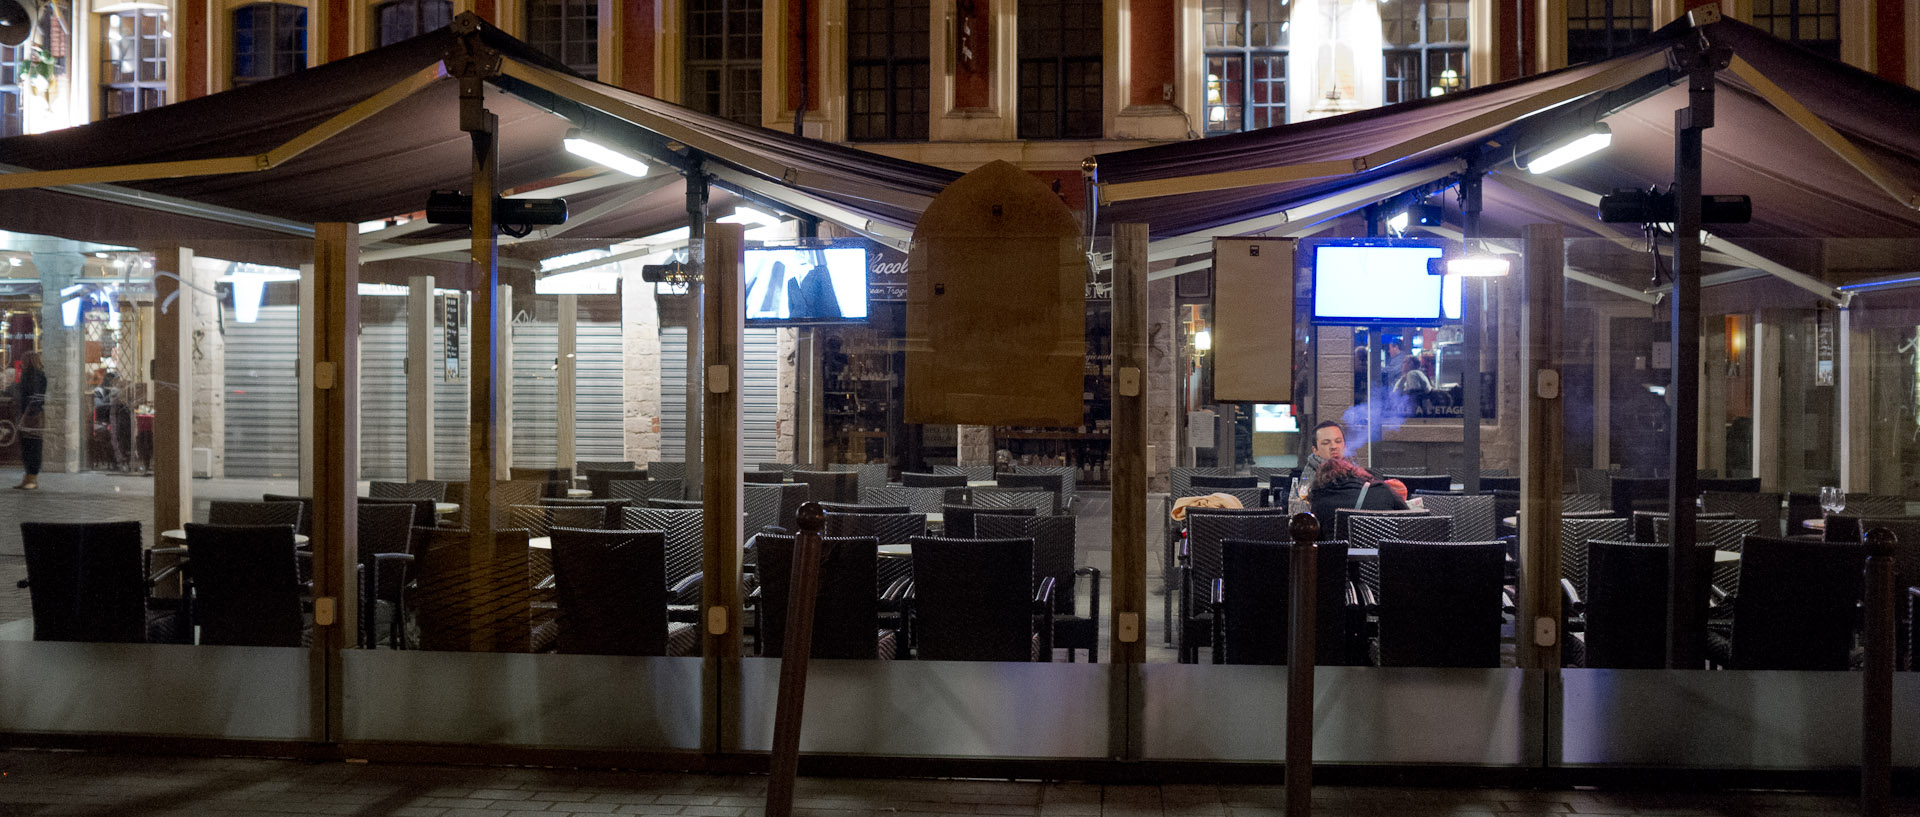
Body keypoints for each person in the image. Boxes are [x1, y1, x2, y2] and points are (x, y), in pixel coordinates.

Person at [1308, 456, 1408, 538]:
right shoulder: (1382, 490)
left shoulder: (1319, 501)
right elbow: (1409, 519)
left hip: (1338, 560)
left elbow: (1316, 539)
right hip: (1383, 558)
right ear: (1355, 472)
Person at [13, 350, 46, 490]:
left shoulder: (31, 376)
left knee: (30, 445)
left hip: (31, 415)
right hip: (34, 414)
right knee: (31, 445)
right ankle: (29, 477)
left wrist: (27, 413)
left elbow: (32, 396)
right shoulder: (40, 375)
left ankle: (31, 477)